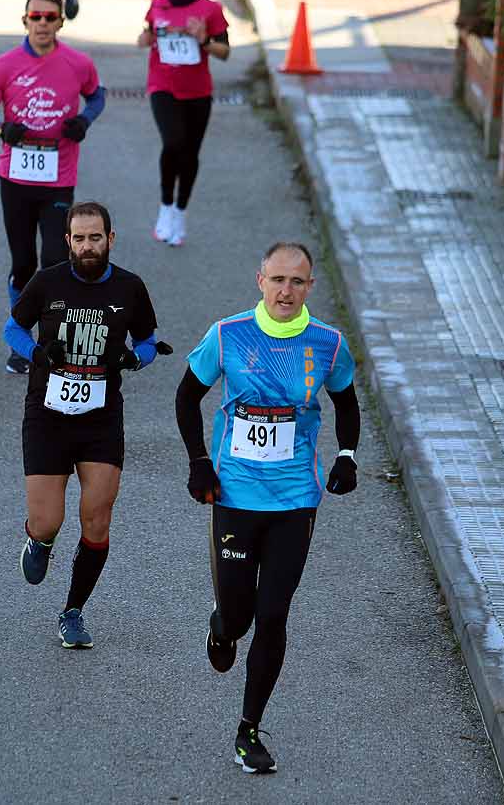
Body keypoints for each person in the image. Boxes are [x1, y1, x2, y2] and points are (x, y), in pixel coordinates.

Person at [175, 242, 362, 775]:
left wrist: (346, 456)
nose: (286, 291)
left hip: (294, 501)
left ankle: (248, 729)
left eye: (297, 282)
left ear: (310, 288)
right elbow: (187, 397)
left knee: (274, 615)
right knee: (239, 617)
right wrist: (198, 463)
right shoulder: (227, 334)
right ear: (260, 280)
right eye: (278, 280)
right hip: (234, 497)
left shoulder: (328, 344)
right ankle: (221, 629)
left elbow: (346, 401)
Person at [3, 202, 172, 647]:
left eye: (95, 237)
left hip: (100, 419)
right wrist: (38, 354)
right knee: (47, 521)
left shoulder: (130, 288)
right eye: (79, 238)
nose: (87, 245)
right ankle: (38, 542)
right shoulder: (48, 282)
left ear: (110, 239)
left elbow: (150, 341)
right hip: (47, 418)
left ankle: (73, 611)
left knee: (96, 521)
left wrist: (135, 358)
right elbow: (12, 330)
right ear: (68, 241)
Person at [0, 0, 108, 374]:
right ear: (26, 21)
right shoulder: (4, 65)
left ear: (61, 23)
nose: (43, 23)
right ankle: (20, 337)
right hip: (15, 177)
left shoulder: (77, 63)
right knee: (23, 263)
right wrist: (2, 127)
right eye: (37, 16)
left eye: (51, 17)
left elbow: (97, 98)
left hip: (58, 177)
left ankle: (52, 338)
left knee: (55, 258)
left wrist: (84, 121)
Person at [138, 0, 228, 246]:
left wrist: (203, 39)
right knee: (173, 141)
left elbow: (225, 51)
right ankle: (165, 205)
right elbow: (146, 36)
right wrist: (144, 37)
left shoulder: (210, 10)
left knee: (190, 153)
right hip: (162, 85)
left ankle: (180, 211)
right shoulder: (158, 5)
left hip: (198, 91)